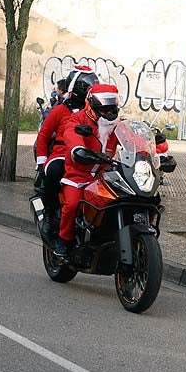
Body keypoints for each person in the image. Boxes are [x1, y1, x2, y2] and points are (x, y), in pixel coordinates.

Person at [55, 84, 122, 257]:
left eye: (111, 107)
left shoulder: (118, 124)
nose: (108, 112)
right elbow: (71, 134)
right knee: (72, 204)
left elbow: (133, 137)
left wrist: (155, 147)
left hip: (106, 175)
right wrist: (78, 149)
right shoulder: (77, 119)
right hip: (79, 174)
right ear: (92, 104)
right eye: (104, 108)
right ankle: (64, 240)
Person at [35, 71, 94, 236]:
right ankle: (49, 213)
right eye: (86, 87)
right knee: (54, 171)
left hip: (88, 156)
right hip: (62, 152)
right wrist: (42, 162)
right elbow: (43, 136)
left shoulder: (94, 111)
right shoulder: (60, 110)